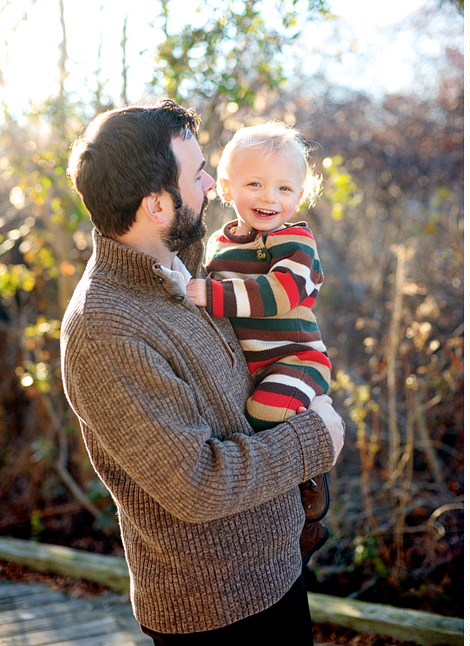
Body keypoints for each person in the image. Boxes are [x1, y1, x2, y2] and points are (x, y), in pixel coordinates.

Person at [61, 98, 344, 643]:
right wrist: (315, 438)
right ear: (157, 205)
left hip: (279, 571)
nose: (213, 184)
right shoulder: (105, 329)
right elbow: (197, 485)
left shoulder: (192, 265)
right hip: (215, 613)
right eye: (197, 174)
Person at [184, 122, 333, 563]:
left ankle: (309, 501)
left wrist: (207, 294)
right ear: (227, 188)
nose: (270, 198)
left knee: (264, 414)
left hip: (297, 360)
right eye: (255, 184)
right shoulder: (220, 244)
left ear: (301, 194)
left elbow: (278, 295)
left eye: (285, 188)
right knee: (244, 422)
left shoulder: (297, 241)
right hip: (254, 365)